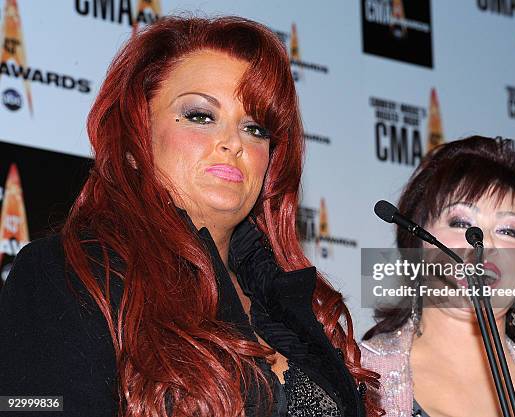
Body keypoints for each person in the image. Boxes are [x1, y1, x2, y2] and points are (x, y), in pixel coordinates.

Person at [0, 16, 380, 417]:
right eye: (200, 116)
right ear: (135, 138)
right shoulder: (69, 274)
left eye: (254, 128)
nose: (232, 142)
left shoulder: (294, 304)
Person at [361, 136, 515, 417]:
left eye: (508, 231)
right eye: (461, 223)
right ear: (418, 247)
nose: (484, 244)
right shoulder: (356, 379)